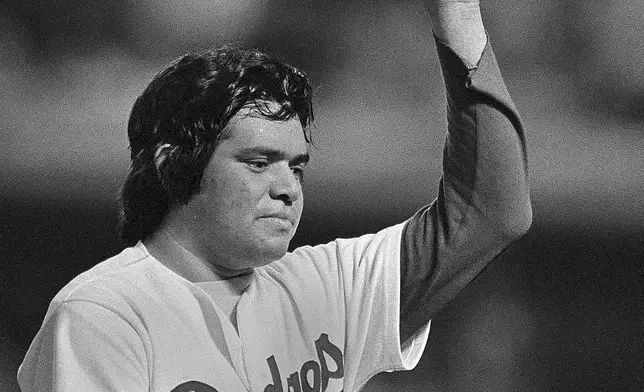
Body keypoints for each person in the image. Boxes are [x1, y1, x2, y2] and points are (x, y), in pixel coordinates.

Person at [17, 0, 532, 391]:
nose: (287, 188)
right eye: (258, 163)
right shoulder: (102, 315)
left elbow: (489, 210)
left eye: (298, 167)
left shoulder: (325, 287)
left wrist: (457, 10)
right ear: (173, 164)